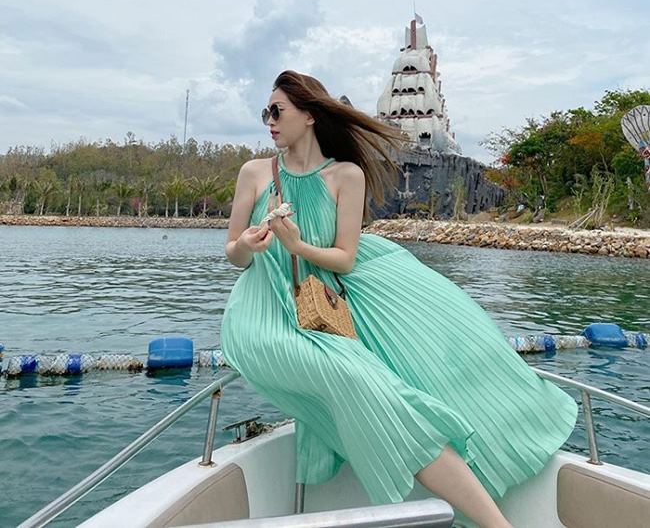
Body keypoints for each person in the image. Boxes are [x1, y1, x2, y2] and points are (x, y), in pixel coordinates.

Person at [220, 70, 578, 528]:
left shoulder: (345, 175)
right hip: (261, 314)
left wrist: (297, 246)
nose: (269, 121)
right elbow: (233, 255)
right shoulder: (254, 173)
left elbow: (345, 259)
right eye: (265, 112)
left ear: (309, 115)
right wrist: (248, 245)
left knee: (395, 390)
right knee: (356, 379)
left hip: (323, 305)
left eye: (277, 111)